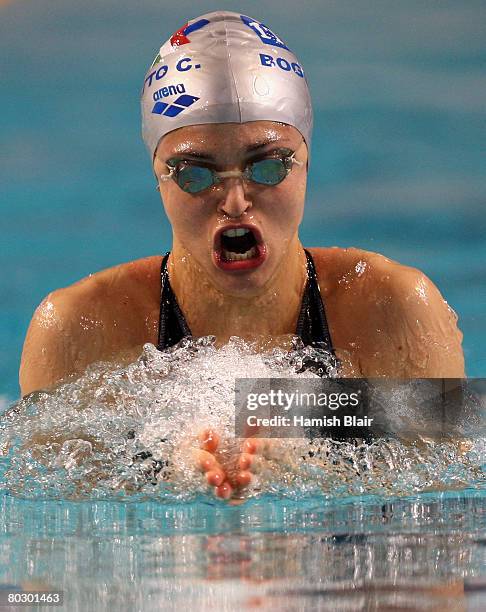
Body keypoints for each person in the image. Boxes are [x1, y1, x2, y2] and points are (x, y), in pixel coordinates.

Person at [19, 11, 465, 498]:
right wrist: (159, 477)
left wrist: (310, 470)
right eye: (195, 174)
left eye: (268, 166)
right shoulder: (78, 329)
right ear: (157, 178)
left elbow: (448, 523)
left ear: (308, 161)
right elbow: (51, 543)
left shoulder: (393, 307)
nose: (234, 202)